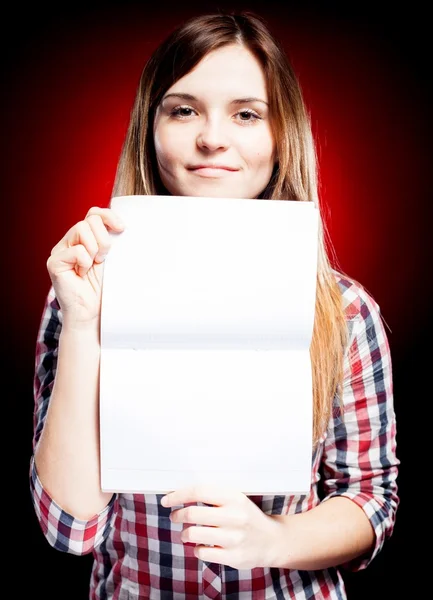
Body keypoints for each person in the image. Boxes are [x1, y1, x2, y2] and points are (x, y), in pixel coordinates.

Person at [30, 10, 399, 600]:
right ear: (150, 128)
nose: (212, 138)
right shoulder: (82, 293)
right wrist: (82, 328)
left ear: (281, 136)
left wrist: (273, 538)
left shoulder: (346, 310)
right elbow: (70, 528)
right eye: (183, 109)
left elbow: (370, 501)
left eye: (247, 114)